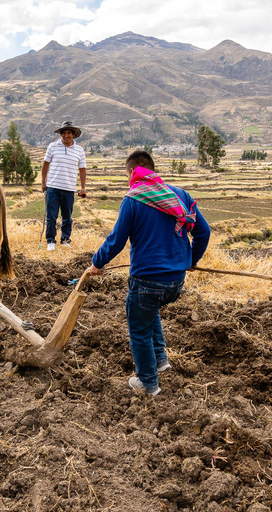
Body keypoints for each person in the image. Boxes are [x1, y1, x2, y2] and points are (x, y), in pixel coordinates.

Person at [89, 150, 211, 396]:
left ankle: (148, 383)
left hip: (147, 282)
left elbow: (116, 240)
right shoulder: (179, 195)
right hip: (176, 283)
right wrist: (191, 260)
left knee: (139, 329)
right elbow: (203, 232)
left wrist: (97, 263)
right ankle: (161, 360)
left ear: (132, 172)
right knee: (149, 309)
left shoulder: (133, 199)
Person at [41, 121, 87, 251]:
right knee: (51, 217)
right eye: (64, 133)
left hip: (69, 188)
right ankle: (51, 241)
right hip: (53, 187)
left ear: (73, 135)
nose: (66, 136)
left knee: (67, 218)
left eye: (69, 133)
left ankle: (65, 240)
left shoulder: (79, 150)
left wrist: (83, 188)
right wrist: (43, 182)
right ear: (61, 134)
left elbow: (82, 169)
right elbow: (45, 164)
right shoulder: (52, 146)